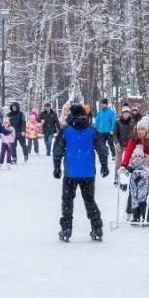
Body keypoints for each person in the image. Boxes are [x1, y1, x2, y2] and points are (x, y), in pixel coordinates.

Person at [53, 102, 105, 242]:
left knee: (67, 201)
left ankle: (66, 229)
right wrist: (104, 164)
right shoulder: (92, 131)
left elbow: (58, 149)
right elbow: (102, 148)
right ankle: (97, 227)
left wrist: (56, 166)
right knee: (89, 200)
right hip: (88, 172)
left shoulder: (66, 131)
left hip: (71, 172)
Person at [121, 116, 149, 224]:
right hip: (136, 168)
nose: (140, 131)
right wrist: (124, 165)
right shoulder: (134, 139)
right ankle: (130, 212)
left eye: (143, 129)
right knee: (133, 191)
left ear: (147, 129)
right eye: (139, 129)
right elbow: (128, 151)